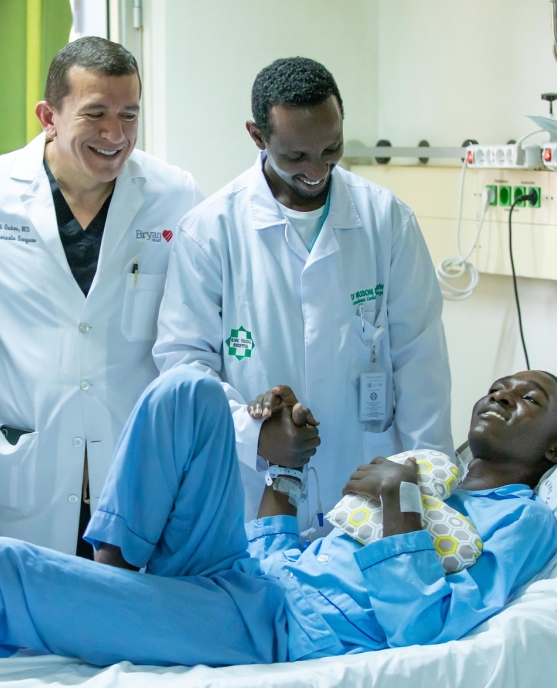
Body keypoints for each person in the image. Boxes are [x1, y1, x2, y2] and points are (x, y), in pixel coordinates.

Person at [0, 366, 557, 667]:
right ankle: (114, 574)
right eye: (502, 385)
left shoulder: (523, 522)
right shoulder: (424, 466)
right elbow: (294, 551)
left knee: (1, 570)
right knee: (186, 389)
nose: (503, 396)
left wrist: (394, 502)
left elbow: (425, 625)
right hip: (251, 577)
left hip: (284, 633)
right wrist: (283, 466)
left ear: (551, 451)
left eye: (530, 401)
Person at [154, 57, 452, 531]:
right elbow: (185, 364)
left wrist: (429, 487)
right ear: (258, 136)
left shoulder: (387, 221)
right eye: (296, 156)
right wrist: (252, 433)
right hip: (254, 490)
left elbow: (422, 362)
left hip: (370, 493)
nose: (317, 169)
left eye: (331, 149)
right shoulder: (210, 231)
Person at [0, 37, 202, 557]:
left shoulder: (174, 196)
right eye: (95, 114)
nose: (115, 135)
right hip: (28, 467)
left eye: (129, 115)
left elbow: (203, 316)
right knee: (24, 628)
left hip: (134, 467)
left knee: (123, 625)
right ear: (48, 116)